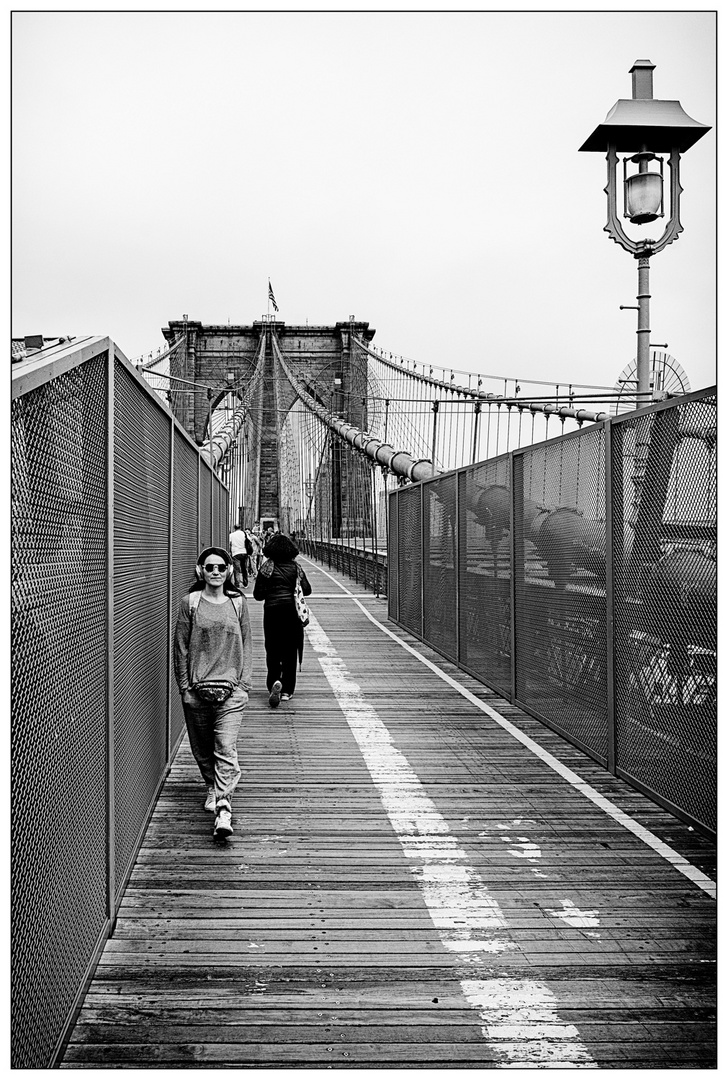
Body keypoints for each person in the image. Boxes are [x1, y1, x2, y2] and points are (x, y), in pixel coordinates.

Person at [174, 546, 253, 840]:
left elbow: (248, 643)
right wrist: (184, 687)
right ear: (201, 571)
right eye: (210, 567)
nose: (216, 571)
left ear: (229, 571)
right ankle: (213, 785)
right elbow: (181, 647)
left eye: (221, 567)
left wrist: (244, 685)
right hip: (197, 689)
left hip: (231, 691)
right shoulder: (190, 603)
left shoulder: (238, 603)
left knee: (225, 745)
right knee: (202, 748)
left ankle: (223, 806)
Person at [253, 533, 311, 707]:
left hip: (272, 612)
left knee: (272, 649)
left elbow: (258, 595)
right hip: (291, 613)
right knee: (290, 651)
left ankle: (273, 683)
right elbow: (307, 590)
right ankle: (287, 691)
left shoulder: (266, 568)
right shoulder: (296, 568)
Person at [229, 523, 249, 588]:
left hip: (235, 553)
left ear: (234, 528)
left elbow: (229, 543)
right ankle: (245, 583)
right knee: (244, 568)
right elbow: (249, 541)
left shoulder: (231, 535)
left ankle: (237, 584)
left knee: (236, 569)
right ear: (240, 527)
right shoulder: (244, 534)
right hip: (244, 552)